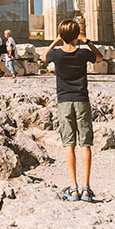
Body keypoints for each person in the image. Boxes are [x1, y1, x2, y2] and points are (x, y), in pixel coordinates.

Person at [40, 19, 104, 203]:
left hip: (64, 102)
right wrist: (86, 40)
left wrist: (56, 40)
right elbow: (99, 57)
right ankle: (87, 188)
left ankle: (74, 188)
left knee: (69, 144)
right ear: (77, 35)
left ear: (62, 36)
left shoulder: (57, 55)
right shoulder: (83, 53)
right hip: (82, 100)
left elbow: (44, 57)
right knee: (86, 144)